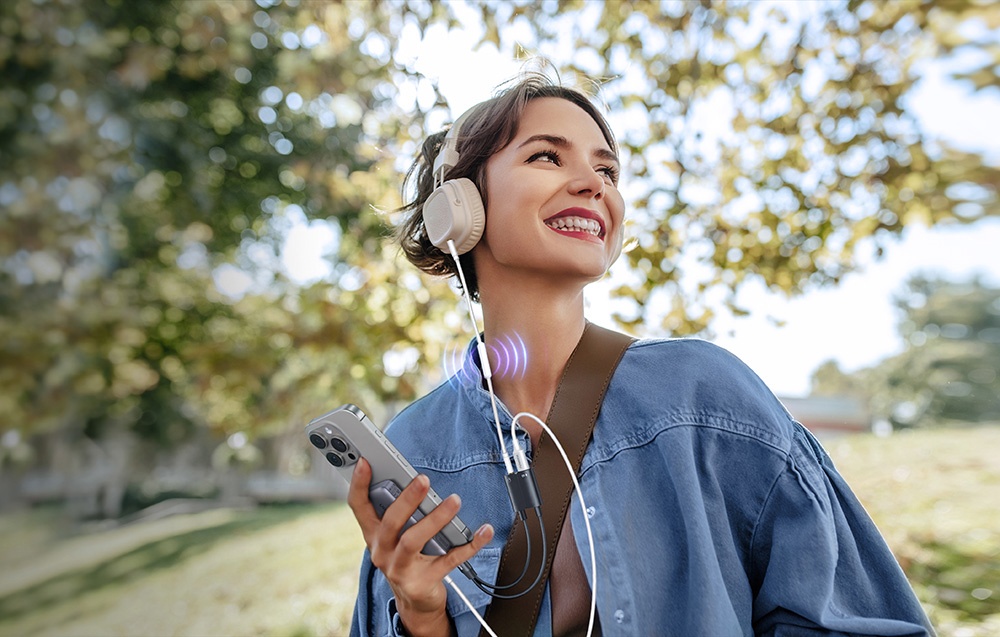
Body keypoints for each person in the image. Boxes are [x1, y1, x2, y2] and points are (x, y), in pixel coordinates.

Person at [346, 72, 934, 637]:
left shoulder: (704, 394)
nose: (593, 183)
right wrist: (423, 621)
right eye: (547, 156)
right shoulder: (414, 450)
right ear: (459, 207)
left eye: (607, 169)